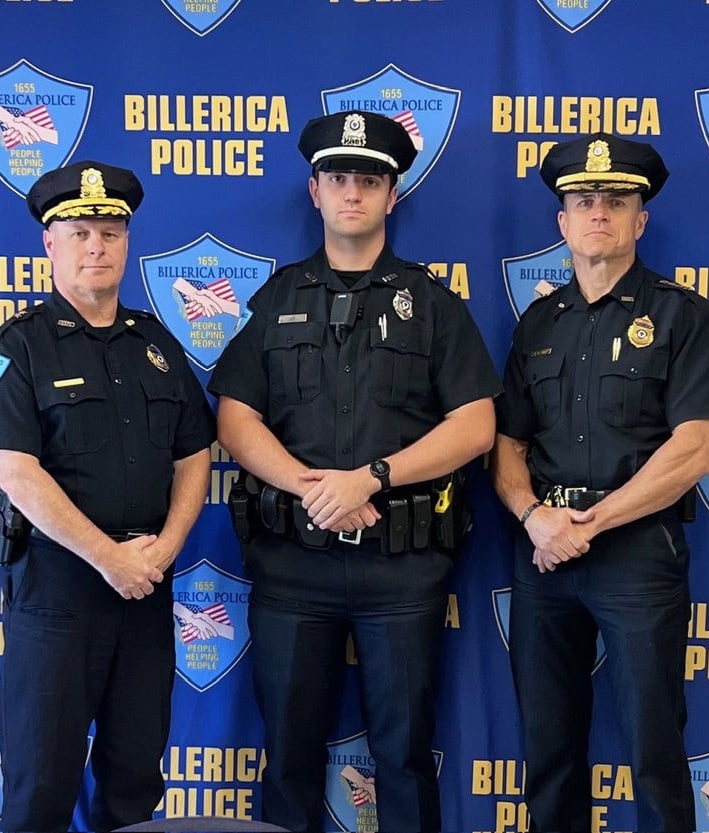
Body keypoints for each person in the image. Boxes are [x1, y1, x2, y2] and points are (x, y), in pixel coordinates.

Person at [208, 111, 501, 833]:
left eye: (369, 181)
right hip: (293, 566)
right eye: (339, 178)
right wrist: (315, 487)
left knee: (402, 756)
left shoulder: (431, 305)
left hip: (401, 572)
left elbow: (476, 426)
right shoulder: (277, 300)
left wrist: (369, 477)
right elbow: (236, 417)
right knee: (288, 758)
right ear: (314, 190)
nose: (353, 194)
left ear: (392, 196)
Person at [491, 133, 709, 832]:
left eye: (617, 199)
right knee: (548, 746)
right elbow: (507, 444)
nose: (599, 211)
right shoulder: (538, 323)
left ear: (641, 220)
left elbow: (694, 450)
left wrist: (588, 524)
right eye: (583, 200)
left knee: (653, 748)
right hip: (544, 555)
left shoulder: (680, 315)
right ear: (563, 222)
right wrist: (534, 515)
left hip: (635, 556)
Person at [0, 160, 216, 832]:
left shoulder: (157, 345)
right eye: (80, 232)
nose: (97, 245)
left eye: (110, 230)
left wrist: (165, 547)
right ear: (50, 244)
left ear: (128, 241)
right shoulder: (15, 349)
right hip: (58, 596)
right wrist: (109, 556)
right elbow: (17, 472)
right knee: (41, 788)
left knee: (135, 785)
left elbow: (196, 454)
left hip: (144, 590)